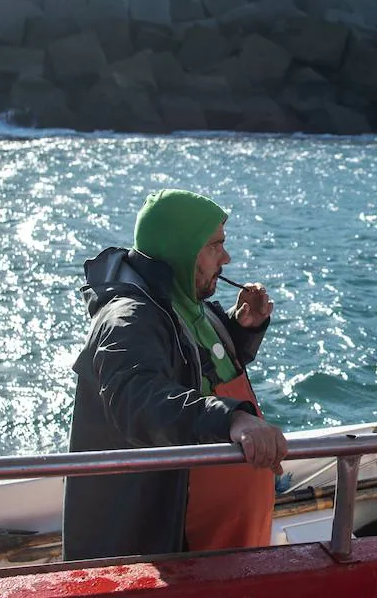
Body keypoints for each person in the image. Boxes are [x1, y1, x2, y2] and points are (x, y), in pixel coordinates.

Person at [63, 189, 288, 560]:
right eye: (216, 246)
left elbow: (193, 366)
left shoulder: (188, 303)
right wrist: (233, 420)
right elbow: (138, 399)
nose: (226, 258)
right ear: (184, 249)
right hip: (173, 549)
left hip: (229, 541)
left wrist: (240, 328)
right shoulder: (128, 319)